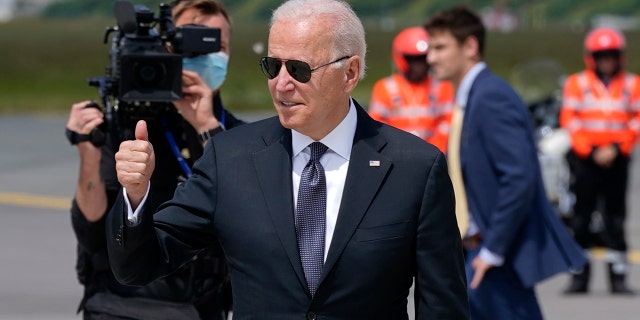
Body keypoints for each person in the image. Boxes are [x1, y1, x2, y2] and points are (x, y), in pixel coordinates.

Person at [105, 0, 469, 319]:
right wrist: (135, 195)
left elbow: (443, 306)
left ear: (350, 73)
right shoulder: (229, 156)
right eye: (272, 66)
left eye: (298, 69)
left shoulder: (415, 169)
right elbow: (140, 265)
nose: (281, 84)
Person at [66, 0, 244, 319]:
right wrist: (88, 154)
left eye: (217, 45)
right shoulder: (126, 124)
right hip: (120, 304)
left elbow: (247, 215)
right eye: (193, 43)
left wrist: (206, 128)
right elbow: (91, 235)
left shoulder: (237, 136)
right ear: (167, 48)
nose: (207, 56)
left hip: (200, 306)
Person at [425, 6, 587, 320]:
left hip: (496, 257)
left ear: (470, 47)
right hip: (477, 251)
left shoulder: (490, 96)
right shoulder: (472, 97)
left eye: (440, 47)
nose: (430, 57)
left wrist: (492, 250)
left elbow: (519, 177)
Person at [560, 27, 640, 295]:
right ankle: (579, 276)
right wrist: (591, 151)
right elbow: (570, 120)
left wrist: (616, 149)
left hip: (617, 160)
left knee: (615, 220)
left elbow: (636, 121)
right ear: (591, 57)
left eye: (611, 55)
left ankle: (618, 277)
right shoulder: (577, 83)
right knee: (581, 219)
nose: (606, 60)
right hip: (586, 161)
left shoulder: (632, 84)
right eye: (601, 55)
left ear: (620, 57)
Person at [368, 26, 454, 153]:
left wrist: (432, 152)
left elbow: (447, 124)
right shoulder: (385, 88)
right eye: (412, 59)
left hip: (432, 157)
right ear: (401, 58)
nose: (419, 65)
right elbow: (376, 126)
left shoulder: (442, 88)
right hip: (396, 155)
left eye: (423, 59)